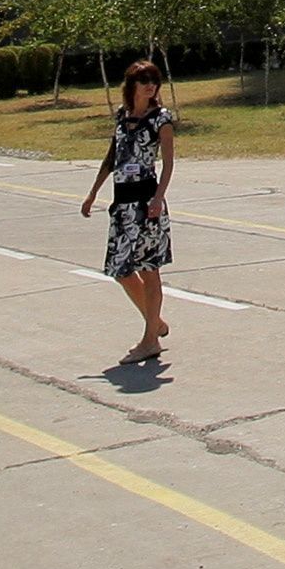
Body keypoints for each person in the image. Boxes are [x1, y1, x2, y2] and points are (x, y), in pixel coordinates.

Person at [79, 60, 176, 366]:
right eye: (144, 80)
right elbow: (112, 157)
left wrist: (158, 198)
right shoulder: (123, 116)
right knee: (120, 270)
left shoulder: (161, 119)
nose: (150, 86)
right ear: (132, 85)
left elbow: (169, 163)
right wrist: (93, 192)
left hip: (147, 203)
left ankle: (150, 341)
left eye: (154, 81)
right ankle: (155, 321)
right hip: (122, 204)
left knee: (149, 269)